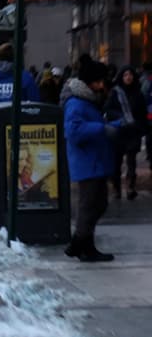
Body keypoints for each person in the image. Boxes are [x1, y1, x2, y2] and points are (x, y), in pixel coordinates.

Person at [62, 55, 122, 262]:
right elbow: (73, 131)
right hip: (87, 162)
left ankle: (83, 244)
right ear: (90, 82)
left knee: (98, 203)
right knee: (89, 205)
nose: (102, 85)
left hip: (94, 160)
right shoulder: (76, 103)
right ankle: (79, 244)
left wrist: (113, 126)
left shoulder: (88, 100)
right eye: (99, 81)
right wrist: (101, 128)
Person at [106, 65, 146, 200]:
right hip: (119, 131)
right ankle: (116, 188)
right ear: (121, 77)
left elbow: (142, 113)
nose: (128, 77)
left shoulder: (138, 93)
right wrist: (121, 118)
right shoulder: (115, 92)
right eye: (125, 75)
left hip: (133, 132)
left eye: (130, 74)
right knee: (117, 161)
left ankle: (130, 187)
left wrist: (141, 128)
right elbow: (108, 110)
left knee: (131, 161)